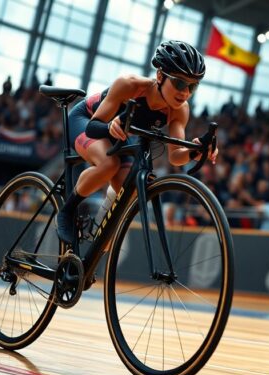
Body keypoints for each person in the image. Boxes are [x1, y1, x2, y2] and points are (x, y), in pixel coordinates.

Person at [56, 40, 217, 243]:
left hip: (122, 134)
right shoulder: (130, 84)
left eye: (192, 86)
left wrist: (196, 150)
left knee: (129, 191)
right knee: (109, 164)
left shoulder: (180, 109)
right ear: (160, 76)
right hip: (87, 120)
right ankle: (67, 212)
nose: (185, 92)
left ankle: (96, 234)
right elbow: (92, 127)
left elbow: (176, 156)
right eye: (179, 83)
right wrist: (109, 127)